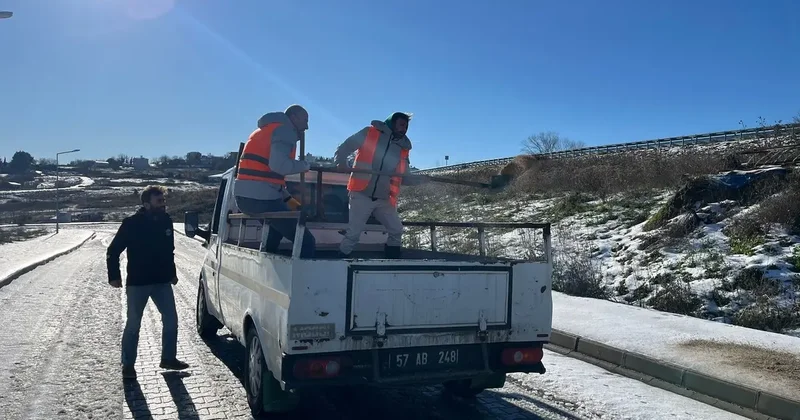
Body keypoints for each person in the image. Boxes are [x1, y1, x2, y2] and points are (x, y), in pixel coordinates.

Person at [107, 185, 189, 380]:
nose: (163, 204)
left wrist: (172, 273)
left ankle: (168, 358)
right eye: (159, 201)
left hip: (162, 282)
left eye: (164, 201)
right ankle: (128, 365)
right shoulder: (131, 224)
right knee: (133, 324)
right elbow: (113, 250)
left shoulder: (166, 221)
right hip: (138, 282)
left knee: (171, 320)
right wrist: (114, 276)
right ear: (146, 204)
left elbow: (169, 251)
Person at [334, 112, 426, 258]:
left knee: (396, 229)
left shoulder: (403, 148)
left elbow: (405, 176)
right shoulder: (369, 132)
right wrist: (340, 161)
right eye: (402, 124)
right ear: (392, 124)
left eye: (406, 126)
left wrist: (421, 180)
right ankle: (340, 259)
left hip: (384, 197)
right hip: (361, 193)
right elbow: (346, 146)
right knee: (354, 234)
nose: (405, 128)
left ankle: (392, 259)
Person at [233, 104, 316, 258]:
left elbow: (267, 174)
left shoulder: (266, 129)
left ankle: (266, 264)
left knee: (275, 232)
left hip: (246, 197)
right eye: (305, 120)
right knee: (306, 241)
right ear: (293, 117)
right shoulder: (285, 131)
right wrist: (304, 165)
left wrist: (289, 199)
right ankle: (304, 278)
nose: (307, 126)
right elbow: (280, 166)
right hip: (261, 198)